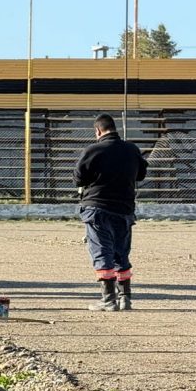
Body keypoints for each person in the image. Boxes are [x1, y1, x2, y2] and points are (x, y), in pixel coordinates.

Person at [73, 113, 148, 311]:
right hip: (124, 209)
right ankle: (125, 298)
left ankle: (108, 300)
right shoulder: (132, 150)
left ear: (98, 131)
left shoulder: (93, 150)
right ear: (114, 128)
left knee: (101, 251)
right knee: (121, 252)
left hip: (97, 208)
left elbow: (78, 178)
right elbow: (141, 175)